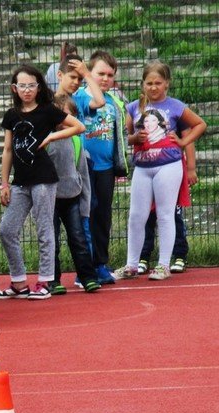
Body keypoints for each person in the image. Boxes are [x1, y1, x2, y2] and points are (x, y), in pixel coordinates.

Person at [0, 64, 85, 300]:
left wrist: (53, 134)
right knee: (6, 230)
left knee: (44, 228)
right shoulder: (12, 115)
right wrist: (4, 183)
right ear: (14, 88)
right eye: (21, 86)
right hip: (20, 182)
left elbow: (79, 126)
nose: (26, 90)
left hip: (44, 179)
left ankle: (45, 282)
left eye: (31, 85)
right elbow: (7, 151)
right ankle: (19, 282)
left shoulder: (47, 110)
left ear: (38, 87)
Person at [113, 60, 206, 281]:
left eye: (158, 83)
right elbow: (128, 136)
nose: (153, 87)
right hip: (142, 167)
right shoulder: (134, 107)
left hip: (168, 166)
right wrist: (135, 138)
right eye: (149, 83)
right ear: (142, 84)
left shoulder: (175, 106)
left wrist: (184, 143)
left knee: (165, 214)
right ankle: (131, 264)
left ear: (166, 84)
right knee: (137, 215)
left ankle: (163, 264)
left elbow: (200, 124)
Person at [74, 50, 129, 285]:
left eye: (110, 74)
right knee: (87, 215)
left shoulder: (115, 102)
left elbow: (122, 132)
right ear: (89, 73)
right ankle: (84, 269)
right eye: (100, 73)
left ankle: (101, 264)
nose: (105, 78)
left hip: (106, 168)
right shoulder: (78, 97)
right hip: (84, 167)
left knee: (103, 216)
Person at [46, 94, 101, 294]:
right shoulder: (47, 140)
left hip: (72, 197)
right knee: (51, 239)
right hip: (50, 199)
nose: (62, 121)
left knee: (78, 238)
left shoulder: (76, 141)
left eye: (67, 116)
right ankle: (52, 280)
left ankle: (87, 277)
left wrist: (85, 204)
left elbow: (83, 175)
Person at [138, 127, 197, 275]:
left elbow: (188, 139)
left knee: (172, 214)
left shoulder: (176, 110)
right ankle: (143, 257)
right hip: (148, 168)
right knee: (147, 215)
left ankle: (179, 255)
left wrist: (191, 168)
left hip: (171, 169)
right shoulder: (141, 111)